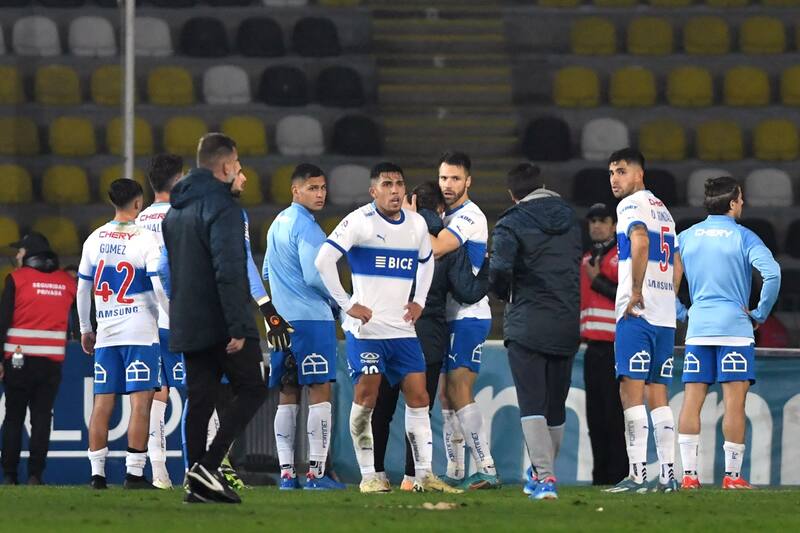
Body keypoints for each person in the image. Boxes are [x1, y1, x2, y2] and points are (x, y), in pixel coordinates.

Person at [161, 133, 291, 504]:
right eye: (238, 167)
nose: (241, 175)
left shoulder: (176, 210)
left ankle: (194, 482)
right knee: (252, 388)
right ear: (225, 167)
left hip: (187, 319)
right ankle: (208, 466)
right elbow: (229, 271)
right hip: (220, 320)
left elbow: (169, 270)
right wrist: (238, 325)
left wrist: (182, 312)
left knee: (199, 400)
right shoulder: (224, 209)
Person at [314, 162, 459, 494]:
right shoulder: (359, 222)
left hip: (402, 330)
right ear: (373, 191)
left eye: (399, 184)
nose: (395, 190)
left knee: (420, 396)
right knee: (367, 396)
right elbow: (323, 259)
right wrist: (347, 304)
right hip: (366, 330)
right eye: (387, 184)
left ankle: (423, 474)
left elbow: (426, 263)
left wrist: (419, 301)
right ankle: (369, 475)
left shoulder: (417, 225)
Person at [371, 182, 489, 491]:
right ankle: (414, 477)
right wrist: (490, 265)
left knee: (382, 407)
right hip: (429, 334)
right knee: (419, 407)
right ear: (440, 210)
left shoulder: (386, 234)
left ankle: (376, 475)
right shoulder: (446, 247)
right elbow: (468, 290)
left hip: (387, 331)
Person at [675, 177, 780, 490]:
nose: (743, 203)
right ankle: (732, 478)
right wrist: (760, 313)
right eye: (741, 199)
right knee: (734, 404)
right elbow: (772, 273)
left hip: (698, 329)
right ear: (733, 203)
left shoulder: (686, 237)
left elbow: (667, 283)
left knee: (692, 400)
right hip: (735, 329)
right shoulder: (744, 236)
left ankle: (689, 476)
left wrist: (684, 314)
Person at [488, 163, 582, 500]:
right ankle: (545, 473)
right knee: (555, 405)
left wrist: (501, 292)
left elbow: (499, 269)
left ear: (513, 194)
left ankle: (545, 479)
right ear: (543, 185)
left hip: (528, 322)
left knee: (532, 402)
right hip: (567, 322)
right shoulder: (572, 220)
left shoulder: (510, 223)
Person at [406, 151, 496, 489]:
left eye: (455, 178)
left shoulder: (469, 217)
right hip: (448, 316)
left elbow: (437, 248)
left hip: (469, 315)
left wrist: (409, 222)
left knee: (458, 389)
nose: (448, 184)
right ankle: (457, 471)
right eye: (443, 178)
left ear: (468, 181)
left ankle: (486, 467)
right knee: (444, 395)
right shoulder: (445, 215)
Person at [77, 179, 169, 490]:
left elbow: (83, 288)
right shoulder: (145, 239)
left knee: (102, 403)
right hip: (140, 332)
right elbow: (158, 283)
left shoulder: (94, 238)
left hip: (106, 332)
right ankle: (134, 474)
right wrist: (171, 314)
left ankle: (97, 475)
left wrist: (86, 328)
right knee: (140, 403)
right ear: (138, 203)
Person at [262, 163, 344, 491]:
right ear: (296, 190)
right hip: (312, 320)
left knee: (288, 392)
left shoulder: (276, 223)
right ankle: (316, 473)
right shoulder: (309, 227)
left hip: (281, 322)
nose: (320, 194)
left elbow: (267, 272)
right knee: (319, 389)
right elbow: (314, 275)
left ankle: (286, 474)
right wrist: (341, 300)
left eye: (323, 188)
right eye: (313, 188)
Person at [603, 148, 681, 494]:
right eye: (611, 173)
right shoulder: (663, 210)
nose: (615, 179)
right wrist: (668, 297)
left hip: (637, 314)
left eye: (621, 171)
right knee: (658, 392)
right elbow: (677, 264)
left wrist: (635, 291)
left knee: (630, 391)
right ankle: (668, 476)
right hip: (664, 315)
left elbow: (639, 242)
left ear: (639, 175)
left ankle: (637, 476)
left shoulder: (629, 207)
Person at [1, 233, 76, 485]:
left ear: (30, 253)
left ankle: (10, 475)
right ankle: (36, 475)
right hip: (51, 362)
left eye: (20, 251)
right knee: (42, 418)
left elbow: (3, 322)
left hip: (18, 360)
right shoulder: (67, 282)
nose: (17, 256)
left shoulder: (16, 279)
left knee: (13, 417)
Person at [136, 153, 184, 489]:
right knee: (199, 389)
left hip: (147, 319)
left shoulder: (137, 222)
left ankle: (159, 472)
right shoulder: (182, 216)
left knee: (158, 391)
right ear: (178, 180)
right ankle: (202, 465)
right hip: (181, 315)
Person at [580, 203, 628, 486]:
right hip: (592, 349)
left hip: (615, 347)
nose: (597, 225)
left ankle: (619, 475)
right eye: (592, 220)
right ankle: (600, 478)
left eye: (602, 220)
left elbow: (627, 296)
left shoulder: (621, 255)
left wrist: (597, 280)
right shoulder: (587, 258)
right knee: (595, 420)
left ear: (613, 224)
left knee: (614, 418)